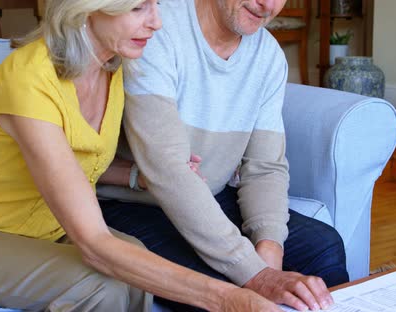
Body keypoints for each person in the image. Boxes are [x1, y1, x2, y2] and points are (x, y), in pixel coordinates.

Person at [0, 1, 285, 311]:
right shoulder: (29, 78)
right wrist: (230, 299)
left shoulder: (113, 67)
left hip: (48, 228)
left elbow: (73, 157)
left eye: (155, 4)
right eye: (138, 8)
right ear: (88, 9)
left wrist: (135, 175)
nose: (157, 21)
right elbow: (94, 245)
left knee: (134, 262)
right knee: (103, 285)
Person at [97, 0, 351, 311]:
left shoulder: (268, 56)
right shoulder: (154, 31)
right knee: (218, 285)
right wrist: (255, 274)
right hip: (133, 204)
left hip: (211, 194)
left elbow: (265, 167)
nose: (268, 5)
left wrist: (269, 247)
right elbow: (170, 171)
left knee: (322, 248)